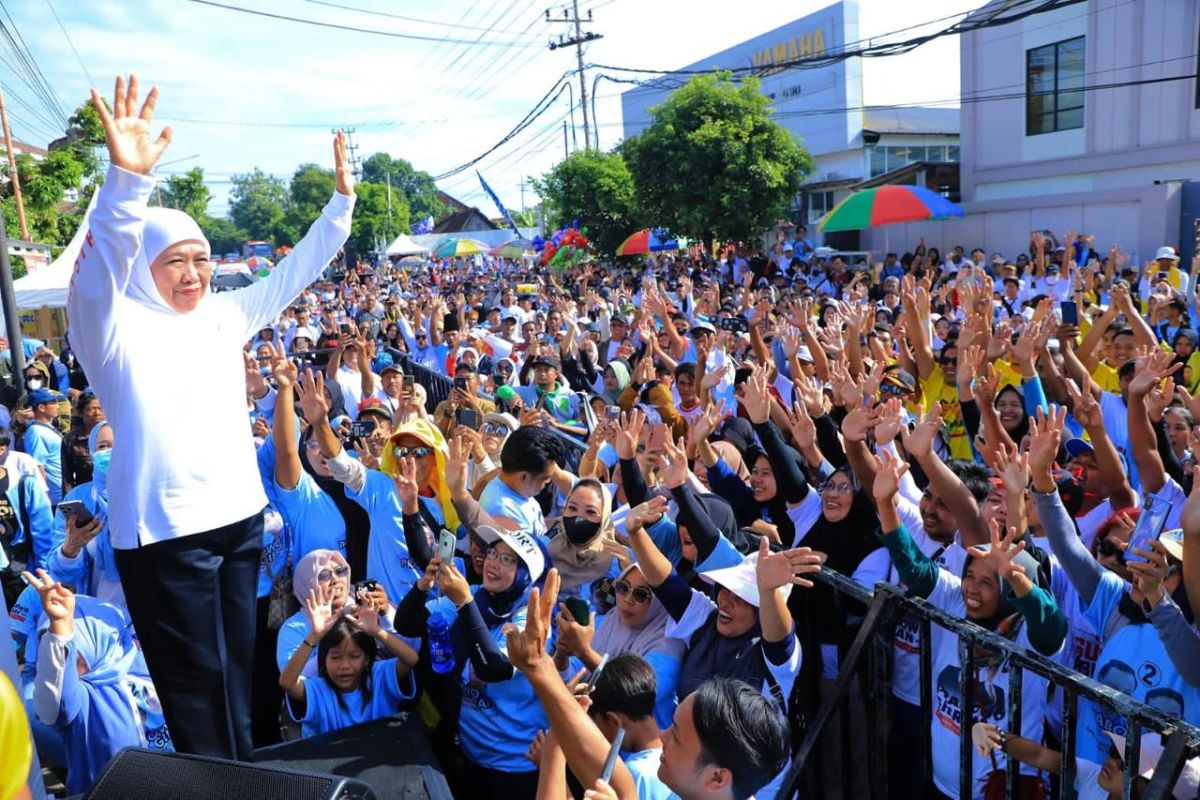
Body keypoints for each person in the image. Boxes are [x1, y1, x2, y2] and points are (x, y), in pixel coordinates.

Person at [66, 75, 355, 759]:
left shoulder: (225, 315)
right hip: (166, 536)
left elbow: (294, 273)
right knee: (193, 697)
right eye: (175, 262)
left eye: (201, 260)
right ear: (143, 264)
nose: (192, 274)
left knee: (240, 683)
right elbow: (94, 273)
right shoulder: (113, 329)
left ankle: (245, 780)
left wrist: (340, 205)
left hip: (239, 523)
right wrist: (125, 184)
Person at [23, 570, 172, 795]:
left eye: (75, 643)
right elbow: (57, 704)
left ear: (99, 637)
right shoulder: (83, 699)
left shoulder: (145, 663)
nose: (69, 655)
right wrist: (59, 630)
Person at [278, 580, 417, 738]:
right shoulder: (318, 691)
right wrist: (314, 636)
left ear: (366, 659)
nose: (344, 666)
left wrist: (377, 631)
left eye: (354, 656)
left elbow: (411, 659)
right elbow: (287, 682)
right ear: (322, 661)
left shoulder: (379, 676)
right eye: (335, 657)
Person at [21, 389, 63, 506]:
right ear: (41, 407)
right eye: (53, 403)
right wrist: (43, 496)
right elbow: (38, 466)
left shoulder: (46, 428)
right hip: (54, 496)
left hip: (61, 490)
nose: (57, 407)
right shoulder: (36, 432)